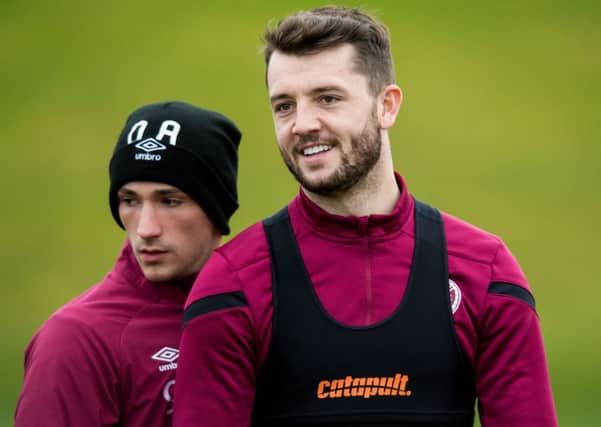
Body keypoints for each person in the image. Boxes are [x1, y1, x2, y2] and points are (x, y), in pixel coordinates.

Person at [174, 6, 557, 427]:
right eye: (284, 106)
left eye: (328, 98)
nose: (302, 124)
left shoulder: (484, 271)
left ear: (386, 106)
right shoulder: (233, 283)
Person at [14, 101, 241, 427]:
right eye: (130, 201)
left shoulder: (254, 308)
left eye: (170, 201)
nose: (146, 229)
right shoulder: (74, 341)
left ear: (216, 210)